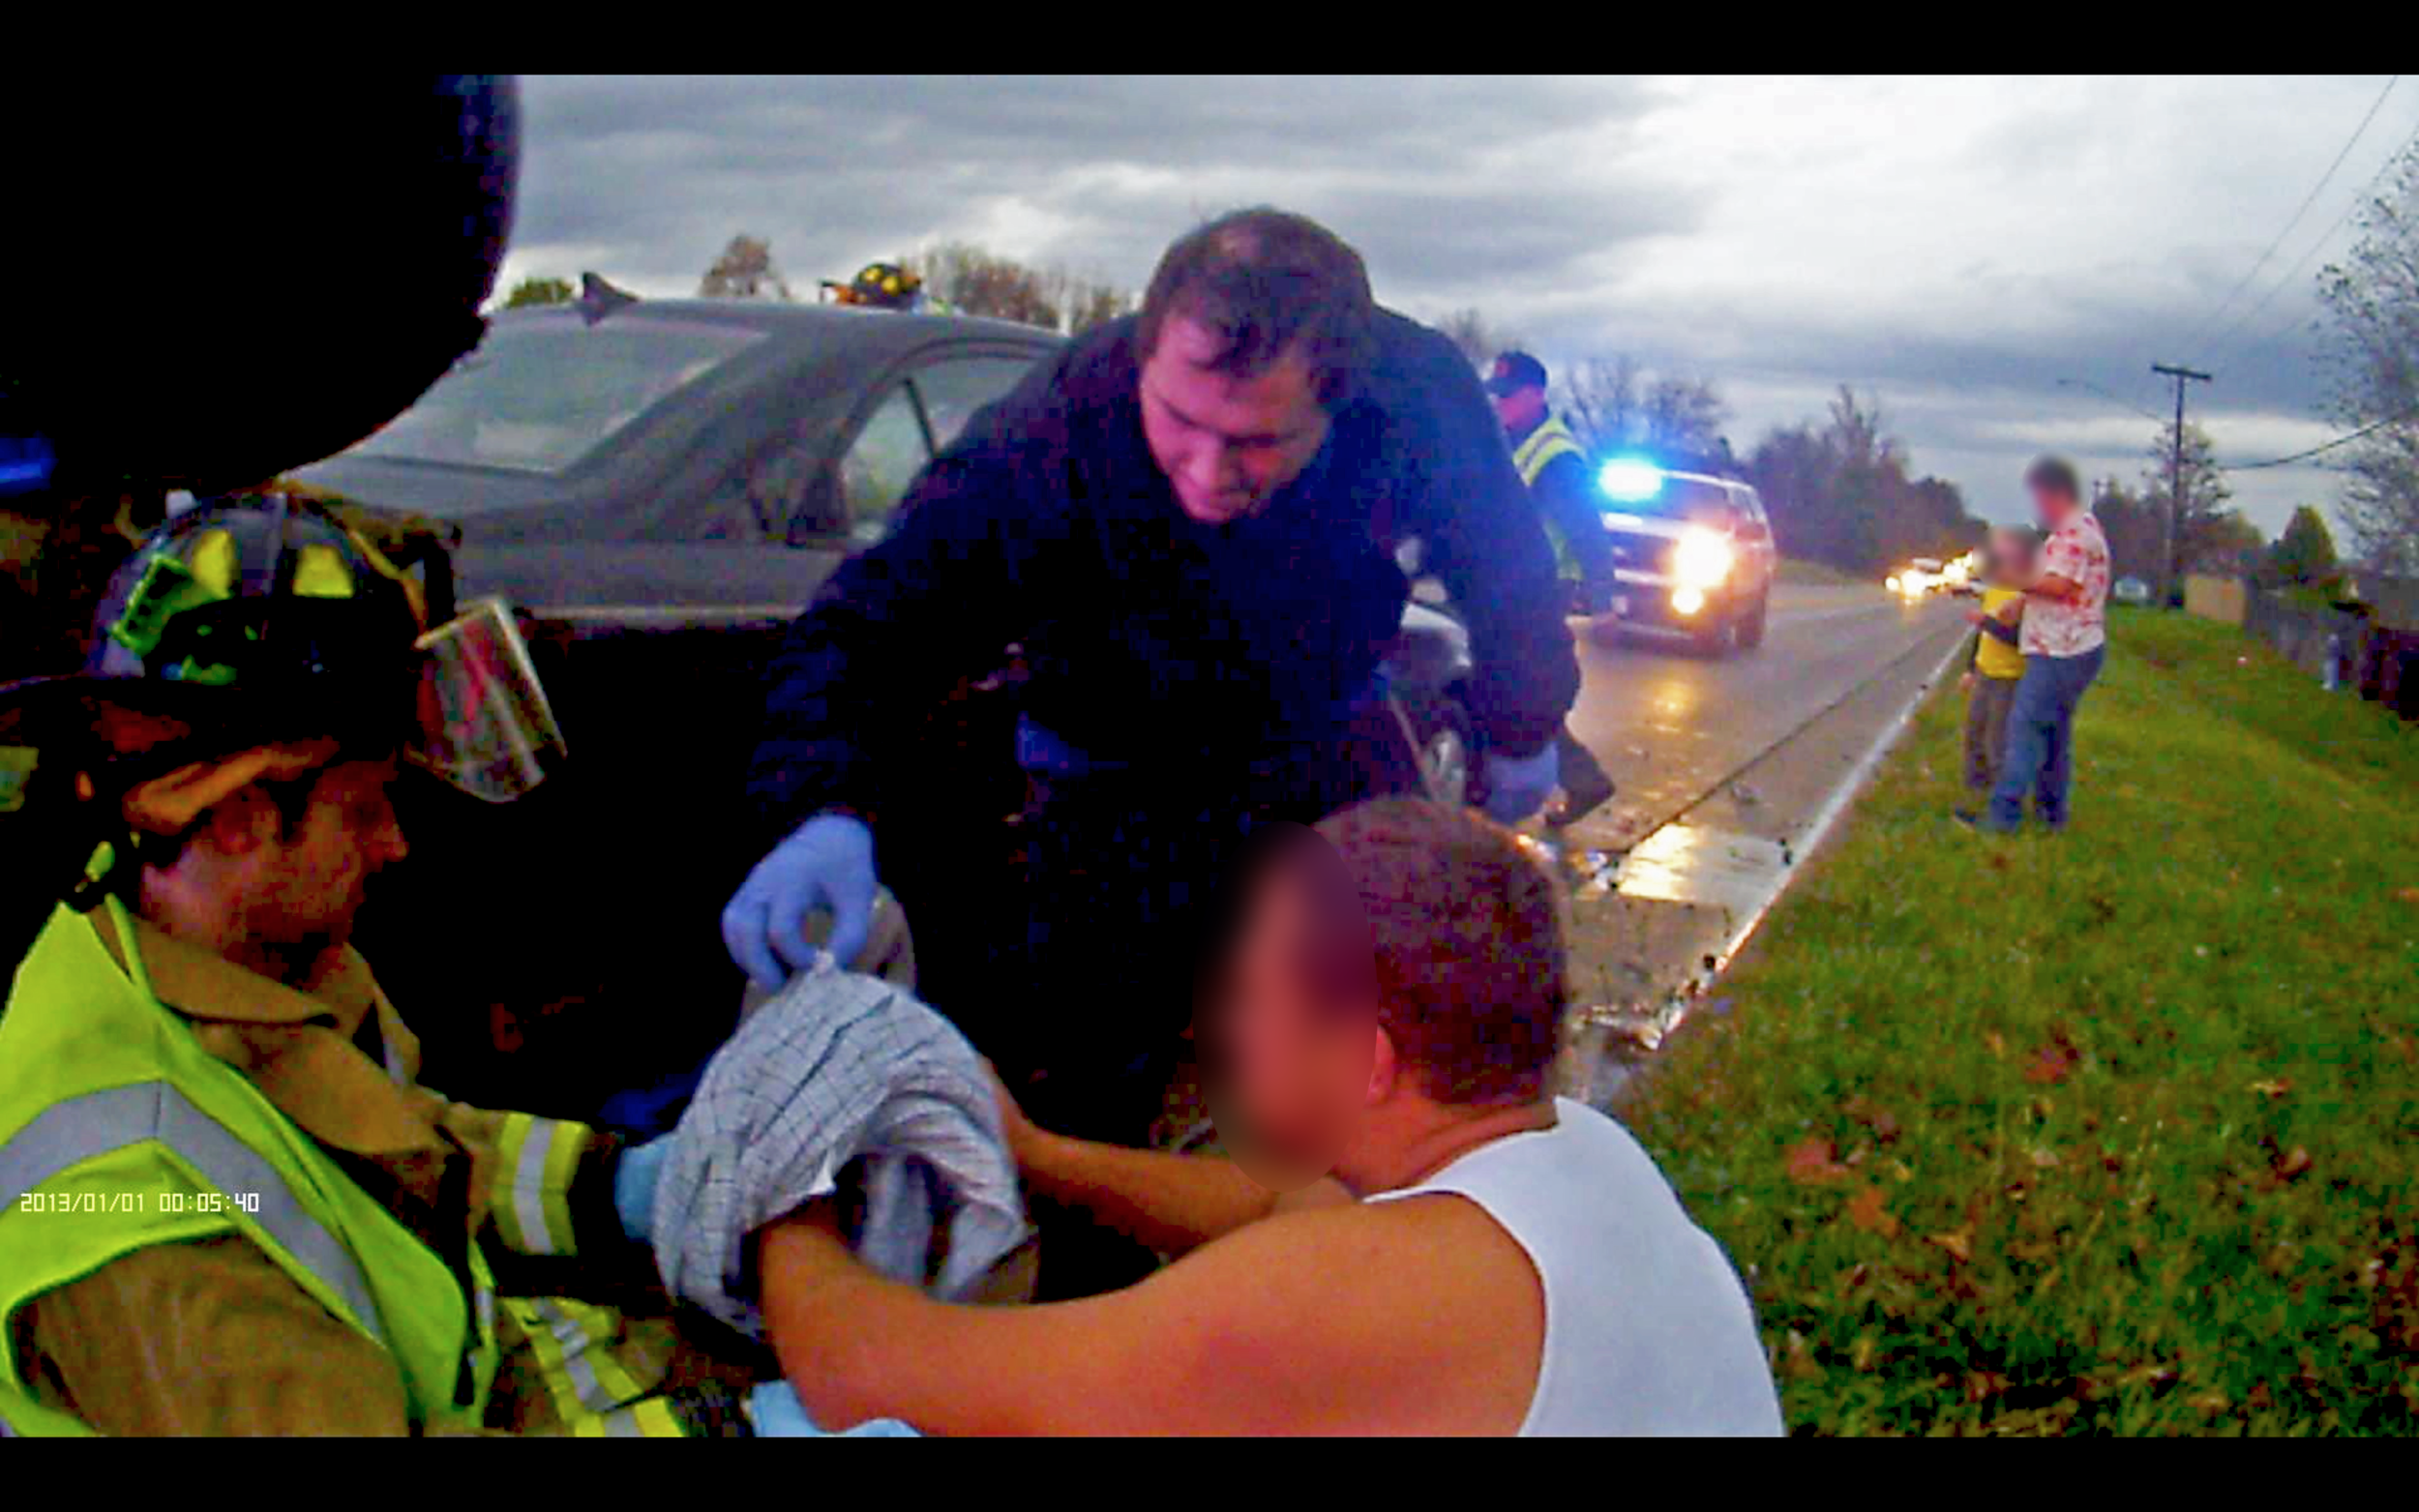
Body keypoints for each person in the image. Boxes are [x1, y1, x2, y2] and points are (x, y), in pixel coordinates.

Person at [0, 77, 852, 1438]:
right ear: (232, 817)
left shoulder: (249, 976)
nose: (398, 844)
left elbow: (412, 1146)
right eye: (364, 803)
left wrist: (639, 1185)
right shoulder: (144, 1223)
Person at [725, 210, 1581, 1182]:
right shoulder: (1050, 429)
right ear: (1143, 357)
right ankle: (1095, 1289)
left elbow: (1507, 568)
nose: (1207, 476)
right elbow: (876, 619)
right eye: (1179, 422)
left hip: (1316, 732)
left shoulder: (1414, 396)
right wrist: (818, 809)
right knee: (1080, 1075)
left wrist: (1521, 724)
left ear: (1336, 404)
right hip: (1108, 757)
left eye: (1256, 442)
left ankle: (1361, 1259)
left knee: (1388, 1042)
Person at [749, 797, 1784, 1436]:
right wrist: (1037, 1153)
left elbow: (870, 1372)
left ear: (1365, 1058)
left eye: (1248, 993)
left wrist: (785, 1183)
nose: (1219, 1033)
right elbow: (1274, 1209)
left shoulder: (1380, 1295)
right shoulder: (1572, 1160)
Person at [1486, 350, 1619, 828]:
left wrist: (1604, 600)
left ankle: (1500, 797)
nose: (1499, 404)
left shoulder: (1557, 455)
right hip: (1502, 581)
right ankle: (1581, 779)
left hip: (1538, 587)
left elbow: (1586, 529)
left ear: (1536, 395)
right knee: (1510, 683)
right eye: (1495, 395)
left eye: (1509, 396)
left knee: (1505, 681)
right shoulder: (1509, 439)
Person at [1975, 458, 2110, 835]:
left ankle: (2002, 818)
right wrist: (2019, 603)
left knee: (2025, 729)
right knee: (2053, 735)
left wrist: (2009, 579)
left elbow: (2058, 586)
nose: (2038, 508)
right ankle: (2051, 815)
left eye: (2039, 498)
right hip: (2063, 647)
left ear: (2055, 493)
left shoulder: (2074, 535)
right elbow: (2050, 582)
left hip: (2062, 652)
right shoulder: (2068, 534)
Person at [1955, 526, 2033, 803]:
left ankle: (2005, 799)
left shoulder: (2026, 595)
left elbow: (2020, 638)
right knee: (1973, 733)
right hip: (1985, 672)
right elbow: (1982, 636)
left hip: (2009, 677)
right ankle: (1975, 788)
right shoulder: (1995, 589)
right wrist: (1970, 669)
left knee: (1997, 741)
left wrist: (1986, 622)